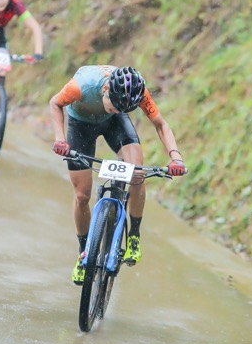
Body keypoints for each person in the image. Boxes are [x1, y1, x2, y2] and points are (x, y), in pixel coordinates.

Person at [49, 65, 188, 284]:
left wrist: (176, 156)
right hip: (81, 125)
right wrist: (60, 139)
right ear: (105, 89)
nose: (114, 109)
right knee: (82, 196)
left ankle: (133, 235)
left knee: (136, 172)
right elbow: (55, 103)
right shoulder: (82, 85)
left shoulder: (136, 90)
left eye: (122, 108)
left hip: (115, 125)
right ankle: (84, 253)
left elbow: (160, 124)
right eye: (113, 106)